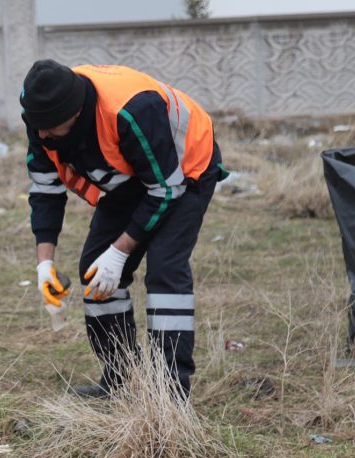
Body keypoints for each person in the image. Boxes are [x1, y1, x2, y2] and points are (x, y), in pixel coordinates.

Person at [22, 60, 225, 399]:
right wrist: (45, 263)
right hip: (132, 174)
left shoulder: (132, 110)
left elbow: (165, 189)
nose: (41, 136)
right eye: (36, 126)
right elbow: (45, 191)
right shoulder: (41, 116)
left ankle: (171, 391)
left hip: (185, 168)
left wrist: (119, 253)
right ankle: (122, 378)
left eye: (50, 128)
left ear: (74, 114)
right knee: (94, 269)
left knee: (165, 270)